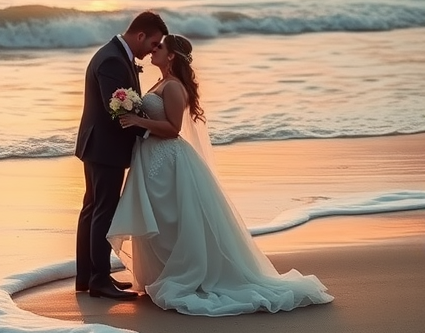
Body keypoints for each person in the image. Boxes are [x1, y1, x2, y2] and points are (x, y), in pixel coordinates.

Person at [107, 34, 334, 315]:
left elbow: (173, 129)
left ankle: (180, 274)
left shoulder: (174, 87)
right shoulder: (161, 82)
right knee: (161, 220)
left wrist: (137, 120)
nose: (154, 50)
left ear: (172, 56)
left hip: (168, 161)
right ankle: (160, 274)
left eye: (160, 47)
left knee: (172, 220)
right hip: (154, 161)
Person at [75, 10, 168, 300]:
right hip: (105, 147)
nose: (153, 50)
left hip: (99, 145)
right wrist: (150, 133)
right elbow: (117, 110)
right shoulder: (113, 59)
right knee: (103, 210)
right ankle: (99, 280)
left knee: (93, 208)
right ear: (140, 35)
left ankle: (88, 277)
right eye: (153, 44)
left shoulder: (116, 54)